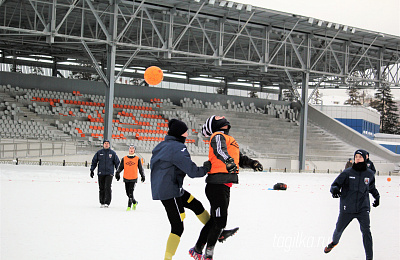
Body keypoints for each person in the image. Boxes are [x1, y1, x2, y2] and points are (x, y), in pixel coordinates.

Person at [151, 119, 237, 260]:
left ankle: (218, 231)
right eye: (185, 131)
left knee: (196, 205)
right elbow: (192, 172)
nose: (187, 133)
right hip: (169, 192)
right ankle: (167, 258)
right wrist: (206, 167)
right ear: (180, 133)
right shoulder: (178, 148)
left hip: (171, 188)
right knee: (177, 228)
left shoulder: (162, 145)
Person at [189, 115, 263, 260]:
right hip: (216, 185)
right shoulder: (217, 136)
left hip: (223, 185)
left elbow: (240, 159)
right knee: (220, 221)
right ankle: (208, 254)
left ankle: (197, 249)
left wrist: (253, 163)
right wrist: (228, 161)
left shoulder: (230, 141)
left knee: (214, 221)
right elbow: (219, 150)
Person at [324, 149, 380, 260]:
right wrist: (334, 190)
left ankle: (369, 258)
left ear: (365, 159)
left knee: (366, 232)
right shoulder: (347, 172)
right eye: (356, 157)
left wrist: (377, 197)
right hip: (347, 208)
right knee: (338, 230)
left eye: (360, 157)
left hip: (363, 208)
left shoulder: (369, 174)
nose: (357, 158)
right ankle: (334, 243)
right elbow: (335, 185)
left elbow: (372, 187)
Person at [90, 140, 120, 208]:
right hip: (101, 173)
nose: (106, 145)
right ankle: (102, 202)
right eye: (105, 143)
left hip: (109, 173)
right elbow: (94, 161)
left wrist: (118, 172)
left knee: (108, 187)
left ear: (109, 145)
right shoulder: (99, 153)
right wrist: (92, 170)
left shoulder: (112, 153)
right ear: (103, 144)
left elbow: (117, 163)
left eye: (107, 143)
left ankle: (107, 202)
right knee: (101, 187)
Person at [115, 144, 145, 211]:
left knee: (131, 193)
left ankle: (129, 206)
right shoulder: (124, 158)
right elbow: (120, 167)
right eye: (130, 148)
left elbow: (140, 168)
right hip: (126, 177)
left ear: (134, 150)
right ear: (128, 150)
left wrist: (142, 175)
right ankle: (134, 202)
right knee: (127, 193)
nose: (131, 150)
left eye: (132, 148)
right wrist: (117, 173)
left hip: (133, 178)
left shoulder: (137, 159)